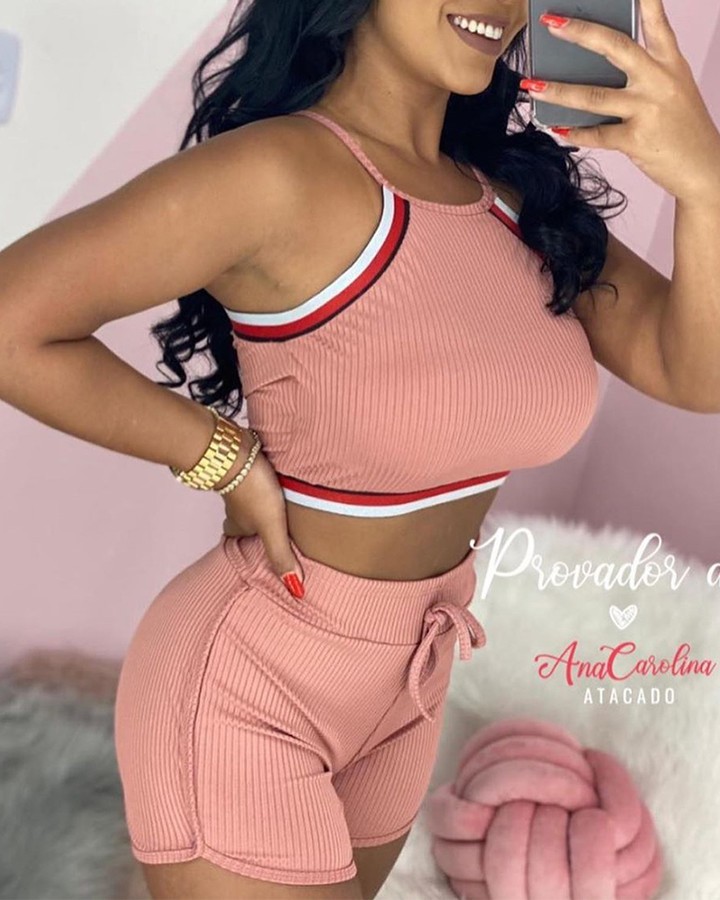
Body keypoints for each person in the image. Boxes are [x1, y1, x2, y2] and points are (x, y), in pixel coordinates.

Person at [1, 0, 690, 897]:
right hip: (252, 682)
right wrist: (218, 453)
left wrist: (702, 177)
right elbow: (13, 321)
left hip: (408, 686)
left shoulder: (517, 202)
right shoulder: (281, 171)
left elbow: (690, 368)